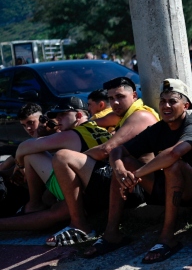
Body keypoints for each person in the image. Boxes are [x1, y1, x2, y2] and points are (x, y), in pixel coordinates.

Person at [89, 79, 192, 263]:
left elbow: (174, 153)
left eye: (172, 101)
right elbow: (118, 150)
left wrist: (137, 175)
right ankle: (111, 234)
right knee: (123, 163)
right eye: (163, 101)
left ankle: (167, 239)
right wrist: (118, 169)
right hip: (166, 186)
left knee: (173, 165)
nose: (166, 106)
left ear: (186, 105)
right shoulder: (157, 129)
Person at [48, 77, 160, 251]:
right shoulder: (126, 114)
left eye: (120, 96)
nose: (115, 102)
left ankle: (80, 225)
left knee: (63, 158)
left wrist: (79, 159)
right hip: (126, 179)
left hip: (138, 187)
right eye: (111, 98)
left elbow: (106, 150)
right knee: (51, 199)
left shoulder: (141, 116)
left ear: (134, 96)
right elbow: (97, 121)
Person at [0, 98, 110, 233]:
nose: (58, 120)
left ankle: (33, 205)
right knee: (51, 202)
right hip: (100, 183)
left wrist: (19, 164)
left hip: (83, 190)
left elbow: (24, 147)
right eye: (56, 116)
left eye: (62, 115)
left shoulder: (71, 134)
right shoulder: (100, 129)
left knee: (31, 156)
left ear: (79, 115)